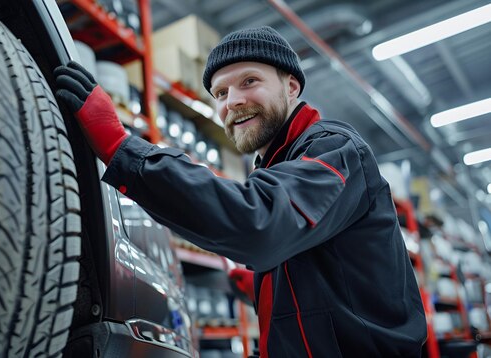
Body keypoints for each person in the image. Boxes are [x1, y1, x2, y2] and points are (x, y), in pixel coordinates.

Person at [54, 26, 427, 357]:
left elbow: (258, 222)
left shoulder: (334, 150)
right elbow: (326, 273)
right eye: (221, 92)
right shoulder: (279, 165)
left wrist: (123, 148)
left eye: (249, 81)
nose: (232, 101)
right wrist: (266, 284)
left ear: (291, 86)